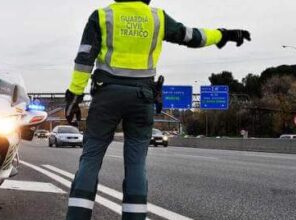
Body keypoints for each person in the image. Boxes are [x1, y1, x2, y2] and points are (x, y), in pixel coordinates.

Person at [64, 0, 251, 219]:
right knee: (136, 164)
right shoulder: (157, 18)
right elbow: (192, 36)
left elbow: (84, 59)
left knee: (91, 157)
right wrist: (223, 35)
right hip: (142, 98)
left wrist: (74, 96)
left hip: (107, 95)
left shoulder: (102, 16)